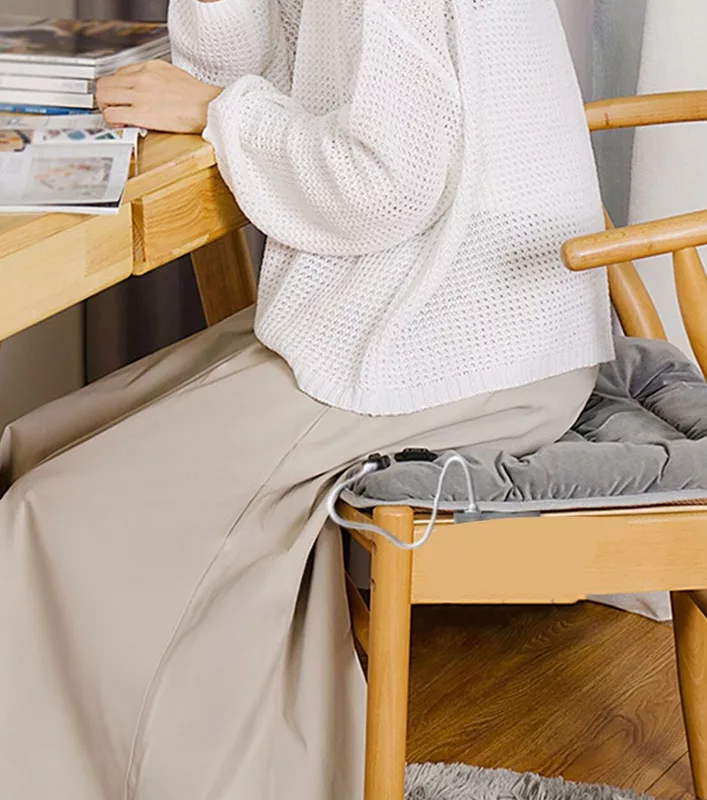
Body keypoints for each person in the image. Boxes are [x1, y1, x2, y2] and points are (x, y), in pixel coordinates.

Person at [0, 0, 613, 798]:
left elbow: (382, 187)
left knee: (52, 509)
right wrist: (218, 100)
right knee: (37, 449)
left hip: (467, 341)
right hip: (380, 314)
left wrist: (218, 112)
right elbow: (232, 73)